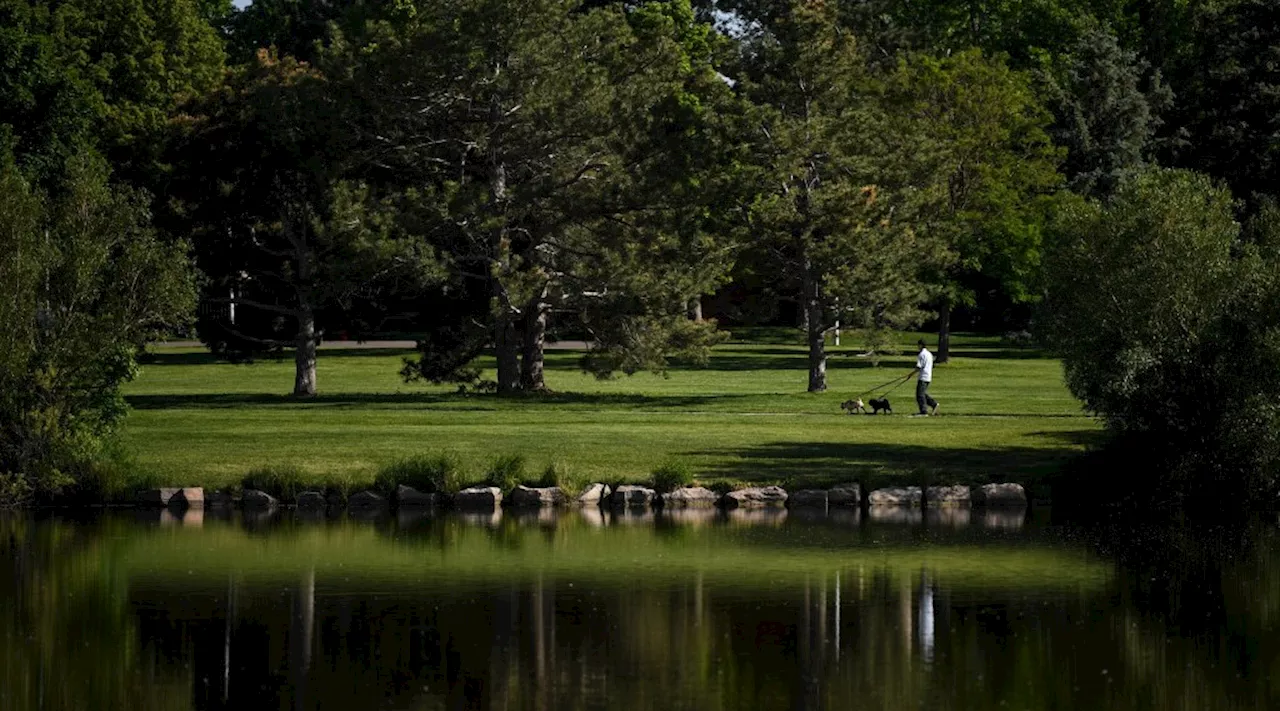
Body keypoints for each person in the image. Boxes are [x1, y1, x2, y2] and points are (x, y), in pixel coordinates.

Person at [911, 339, 938, 416]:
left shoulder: (921, 354)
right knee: (922, 393)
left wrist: (911, 374)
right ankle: (934, 404)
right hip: (928, 376)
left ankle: (923, 411)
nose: (917, 347)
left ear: (920, 345)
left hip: (923, 376)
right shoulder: (929, 354)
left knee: (919, 395)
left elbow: (919, 367)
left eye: (918, 345)